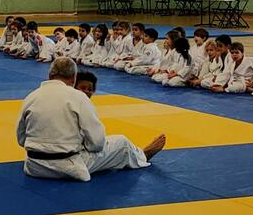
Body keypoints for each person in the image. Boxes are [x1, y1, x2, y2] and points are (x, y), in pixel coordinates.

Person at [17, 57, 165, 181]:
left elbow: (21, 139)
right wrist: (83, 145)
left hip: (34, 166)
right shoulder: (78, 97)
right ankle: (142, 155)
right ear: (74, 78)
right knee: (122, 143)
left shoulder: (31, 97)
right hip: (68, 167)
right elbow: (97, 143)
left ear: (50, 75)